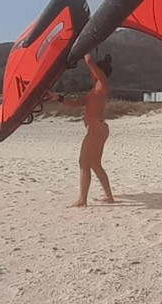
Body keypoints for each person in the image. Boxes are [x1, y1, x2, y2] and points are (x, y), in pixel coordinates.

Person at [46, 53, 115, 206]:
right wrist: (58, 98)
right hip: (99, 128)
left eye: (94, 71)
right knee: (95, 164)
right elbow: (76, 103)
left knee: (84, 163)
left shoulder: (102, 84)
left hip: (96, 129)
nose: (91, 73)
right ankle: (109, 196)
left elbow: (89, 61)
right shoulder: (94, 91)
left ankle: (82, 200)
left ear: (99, 72)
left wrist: (86, 47)